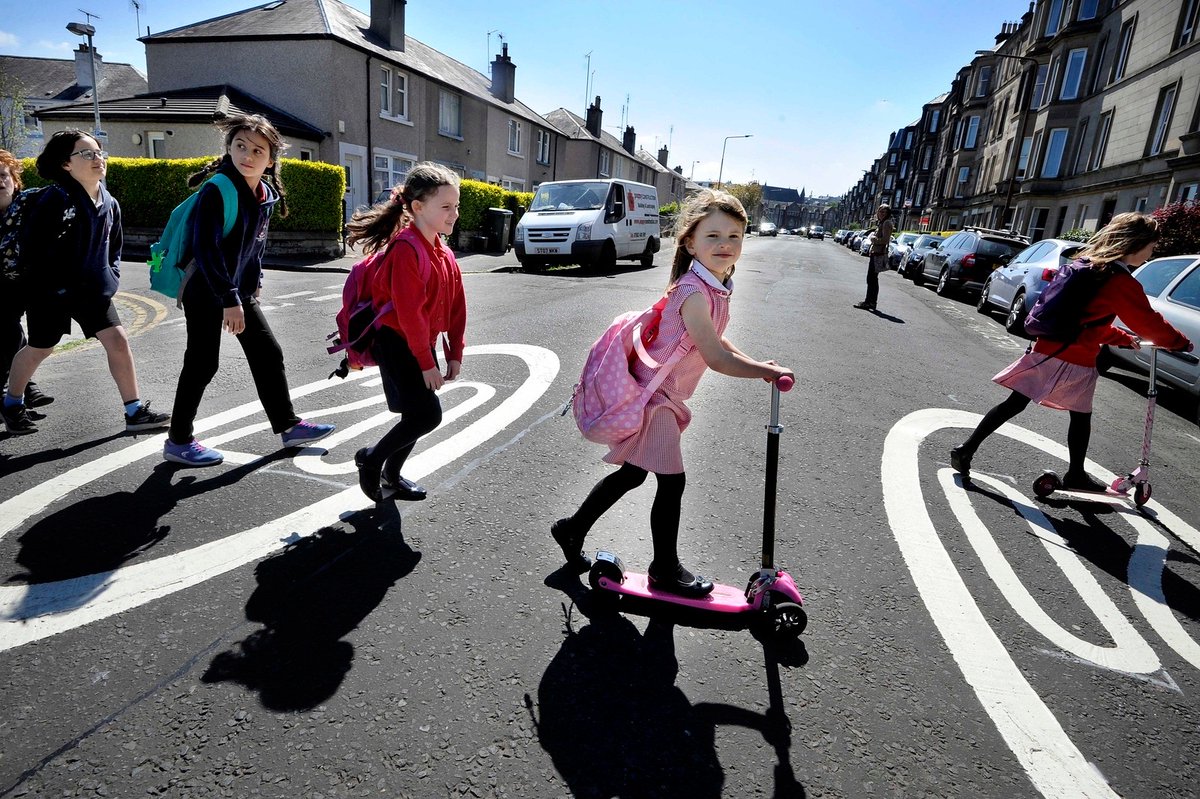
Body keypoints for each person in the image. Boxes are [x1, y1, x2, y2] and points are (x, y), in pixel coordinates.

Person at [551, 189, 793, 597]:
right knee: (671, 482)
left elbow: (716, 340)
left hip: (661, 396)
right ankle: (664, 568)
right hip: (655, 400)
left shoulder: (714, 285)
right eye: (713, 236)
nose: (725, 245)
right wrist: (760, 373)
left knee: (633, 473)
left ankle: (572, 529)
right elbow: (715, 357)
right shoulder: (695, 293)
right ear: (690, 240)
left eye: (734, 236)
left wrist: (760, 366)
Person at [951, 212, 1192, 489]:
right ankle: (1075, 474)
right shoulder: (1120, 281)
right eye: (1151, 246)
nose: (1151, 253)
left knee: (1016, 404)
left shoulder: (1089, 266)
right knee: (1080, 417)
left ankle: (966, 449)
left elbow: (1088, 320)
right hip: (1074, 357)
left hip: (1049, 347)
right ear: (1136, 243)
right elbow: (1149, 323)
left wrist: (1122, 338)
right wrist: (1180, 342)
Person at [163, 114, 334, 466]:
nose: (248, 155)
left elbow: (253, 246)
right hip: (206, 287)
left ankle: (288, 426)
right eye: (240, 146)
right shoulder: (218, 189)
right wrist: (229, 299)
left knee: (268, 353)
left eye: (258, 150)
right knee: (202, 363)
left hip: (236, 291)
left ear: (271, 159)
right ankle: (178, 441)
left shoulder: (264, 194)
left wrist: (253, 285)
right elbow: (206, 250)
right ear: (229, 148)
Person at [2, 131, 169, 436]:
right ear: (66, 164)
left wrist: (111, 277)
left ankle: (134, 411)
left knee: (118, 341)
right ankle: (12, 404)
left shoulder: (109, 202)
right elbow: (31, 247)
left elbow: (114, 247)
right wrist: (52, 285)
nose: (98, 160)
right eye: (87, 154)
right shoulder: (55, 198)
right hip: (49, 293)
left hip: (93, 291)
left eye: (99, 153)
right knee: (40, 348)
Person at [344, 163, 466, 502]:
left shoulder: (444, 252)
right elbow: (409, 314)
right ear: (417, 207)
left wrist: (454, 352)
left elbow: (457, 308)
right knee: (427, 414)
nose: (454, 214)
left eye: (456, 206)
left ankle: (391, 474)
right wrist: (427, 362)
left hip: (418, 342)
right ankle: (372, 459)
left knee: (416, 413)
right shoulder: (405, 249)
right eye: (446, 207)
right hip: (396, 342)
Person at [0, 149, 54, 417]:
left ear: (14, 179)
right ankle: (21, 390)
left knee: (25, 337)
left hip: (30, 282)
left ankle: (20, 390)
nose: (0, 181)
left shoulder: (29, 202)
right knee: (9, 332)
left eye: (3, 175)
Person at [854, 203, 894, 311]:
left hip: (879, 254)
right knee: (872, 278)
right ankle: (870, 301)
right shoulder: (882, 222)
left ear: (887, 213)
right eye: (879, 211)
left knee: (872, 279)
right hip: (875, 252)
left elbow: (885, 240)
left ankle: (870, 302)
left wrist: (873, 239)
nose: (881, 213)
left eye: (883, 212)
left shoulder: (886, 223)